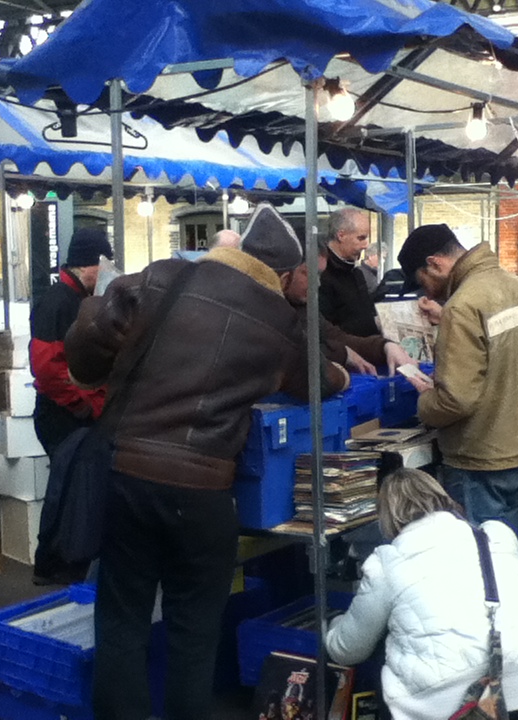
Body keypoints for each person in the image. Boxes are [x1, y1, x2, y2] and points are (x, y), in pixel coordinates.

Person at [64, 203, 349, 720]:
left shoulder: (164, 277)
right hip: (205, 494)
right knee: (193, 636)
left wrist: (90, 372)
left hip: (128, 477)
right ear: (284, 274)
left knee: (122, 623)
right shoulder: (280, 323)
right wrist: (346, 373)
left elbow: (92, 328)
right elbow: (321, 380)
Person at [325, 468, 518, 720]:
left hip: (452, 708)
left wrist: (332, 623)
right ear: (442, 497)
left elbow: (347, 650)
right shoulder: (496, 537)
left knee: (381, 646)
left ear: (386, 518)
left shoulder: (387, 562)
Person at [396, 223, 518, 541]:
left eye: (422, 281)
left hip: (478, 456)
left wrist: (426, 399)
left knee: (482, 555)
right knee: (507, 547)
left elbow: (456, 400)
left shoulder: (462, 305)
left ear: (434, 263)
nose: (427, 293)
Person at [29, 226, 113, 585]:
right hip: (61, 414)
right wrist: (84, 407)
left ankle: (65, 561)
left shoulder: (74, 299)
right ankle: (51, 564)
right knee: (64, 490)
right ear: (88, 265)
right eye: (103, 265)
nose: (106, 274)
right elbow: (48, 369)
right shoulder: (59, 302)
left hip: (71, 410)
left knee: (72, 489)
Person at [285, 238, 415, 376]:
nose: (317, 283)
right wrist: (344, 354)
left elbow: (336, 336)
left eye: (319, 275)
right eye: (310, 274)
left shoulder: (303, 307)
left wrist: (385, 346)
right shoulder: (276, 310)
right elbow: (298, 352)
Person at [320, 207, 381, 336]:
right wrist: (373, 323)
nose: (366, 245)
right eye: (361, 238)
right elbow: (327, 330)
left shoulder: (356, 273)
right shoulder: (321, 274)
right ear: (341, 235)